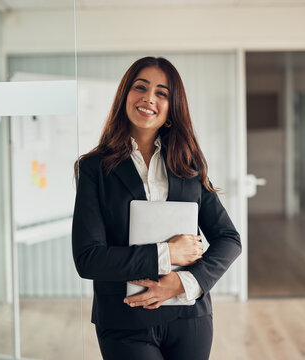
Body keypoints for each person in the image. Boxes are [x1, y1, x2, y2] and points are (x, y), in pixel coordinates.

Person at [72, 56, 241, 360]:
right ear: (125, 95)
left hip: (189, 316)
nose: (149, 98)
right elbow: (89, 258)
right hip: (124, 320)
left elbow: (229, 240)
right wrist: (167, 253)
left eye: (162, 93)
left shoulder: (188, 166)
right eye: (141, 87)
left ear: (171, 109)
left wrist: (182, 282)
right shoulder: (94, 168)